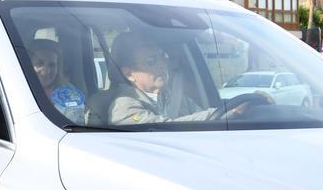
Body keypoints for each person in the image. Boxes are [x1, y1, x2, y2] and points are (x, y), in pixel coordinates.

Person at [107, 31, 265, 125]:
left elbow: (209, 117)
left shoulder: (178, 99)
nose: (163, 63)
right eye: (151, 61)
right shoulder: (122, 106)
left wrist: (239, 107)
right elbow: (162, 128)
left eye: (163, 56)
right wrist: (232, 111)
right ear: (129, 74)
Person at [28, 38, 87, 124]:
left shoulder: (70, 95)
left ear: (58, 67)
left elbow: (75, 127)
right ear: (28, 65)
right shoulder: (17, 89)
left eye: (52, 65)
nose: (46, 70)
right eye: (39, 64)